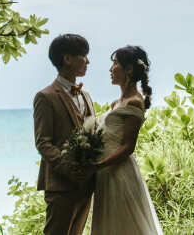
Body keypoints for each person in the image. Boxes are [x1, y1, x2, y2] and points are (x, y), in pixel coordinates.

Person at [91, 45, 163, 235]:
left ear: (129, 69)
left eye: (115, 64)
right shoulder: (116, 104)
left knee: (124, 225)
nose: (110, 69)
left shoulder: (134, 102)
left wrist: (98, 165)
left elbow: (128, 146)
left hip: (119, 172)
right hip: (106, 172)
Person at [33, 33, 97, 235]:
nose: (87, 61)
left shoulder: (86, 96)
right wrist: (68, 167)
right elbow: (43, 142)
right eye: (83, 55)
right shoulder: (45, 96)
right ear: (67, 59)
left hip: (86, 184)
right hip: (60, 185)